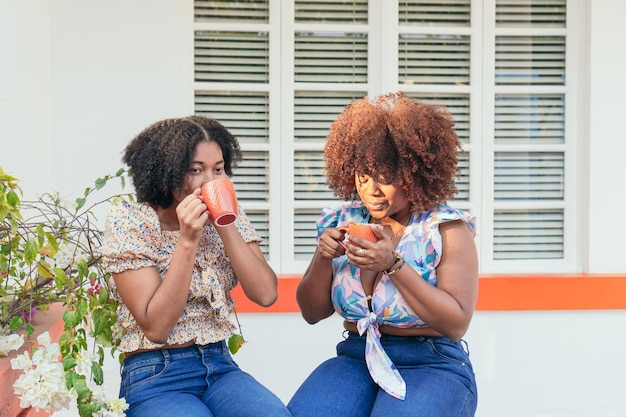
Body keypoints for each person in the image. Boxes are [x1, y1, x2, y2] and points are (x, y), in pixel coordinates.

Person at [287, 92, 479, 417]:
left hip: (431, 360)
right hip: (355, 355)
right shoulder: (344, 221)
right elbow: (311, 312)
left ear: (414, 174)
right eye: (363, 177)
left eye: (385, 178)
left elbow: (456, 323)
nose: (371, 190)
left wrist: (393, 265)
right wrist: (322, 257)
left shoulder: (445, 229)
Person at [102, 116, 292, 417]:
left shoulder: (230, 213)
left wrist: (225, 222)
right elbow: (156, 327)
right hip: (156, 374)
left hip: (219, 364)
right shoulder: (130, 221)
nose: (211, 181)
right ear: (167, 172)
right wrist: (187, 240)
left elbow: (266, 293)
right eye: (196, 170)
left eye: (218, 169)